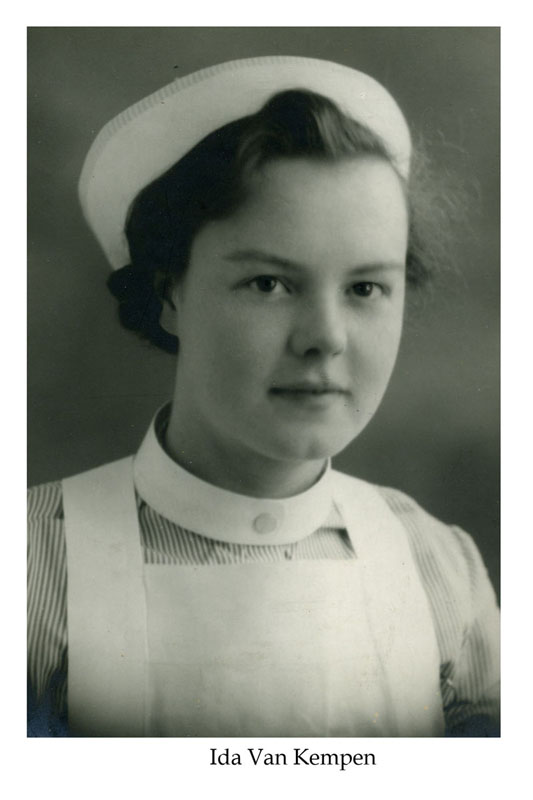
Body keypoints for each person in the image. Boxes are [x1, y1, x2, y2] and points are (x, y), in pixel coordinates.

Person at [27, 55, 500, 737]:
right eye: (269, 284)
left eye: (365, 288)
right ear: (168, 294)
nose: (325, 338)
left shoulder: (440, 567)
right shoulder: (33, 562)